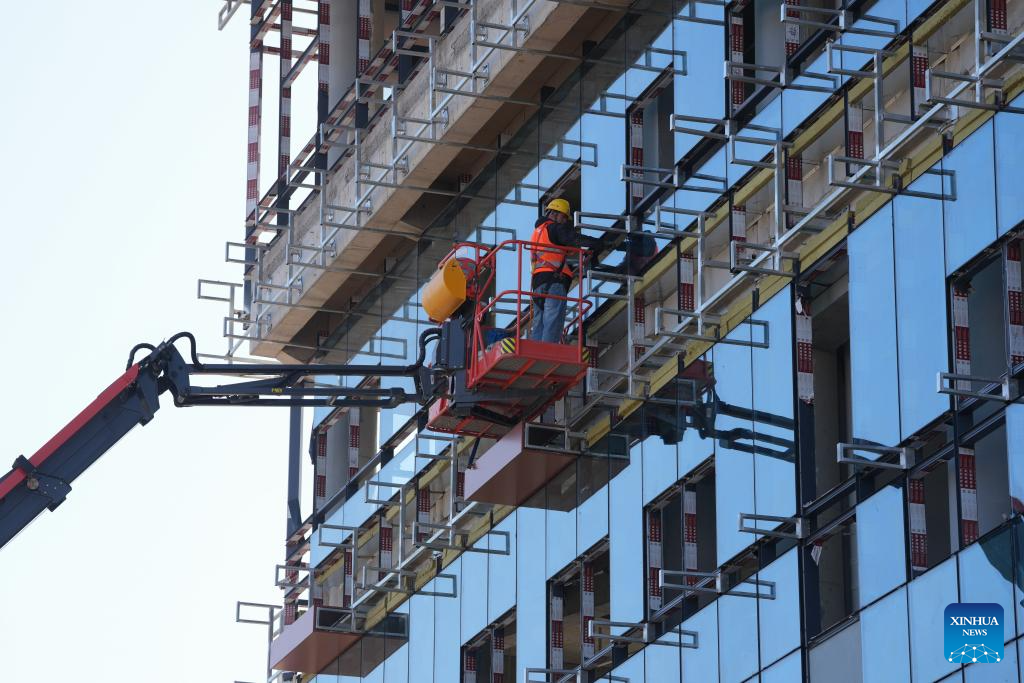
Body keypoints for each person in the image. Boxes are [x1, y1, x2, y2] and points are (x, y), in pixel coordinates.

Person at [529, 198, 605, 343]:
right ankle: (547, 353)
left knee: (539, 321)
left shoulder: (538, 232)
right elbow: (573, 239)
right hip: (554, 281)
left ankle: (536, 352)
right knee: (553, 320)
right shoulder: (554, 228)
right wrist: (598, 243)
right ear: (554, 213)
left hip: (538, 283)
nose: (564, 221)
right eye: (564, 217)